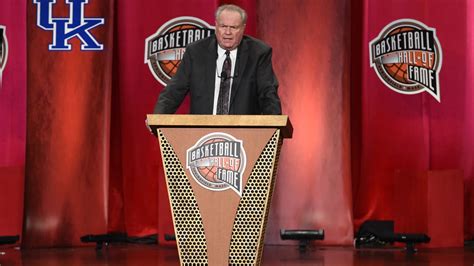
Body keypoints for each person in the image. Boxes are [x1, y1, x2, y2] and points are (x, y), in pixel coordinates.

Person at [153, 4, 281, 115]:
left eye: (233, 27)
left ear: (243, 28)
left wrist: (275, 127)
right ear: (216, 26)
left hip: (243, 133)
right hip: (202, 134)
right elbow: (174, 90)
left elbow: (268, 94)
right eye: (223, 26)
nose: (227, 32)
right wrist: (158, 117)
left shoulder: (258, 53)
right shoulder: (196, 52)